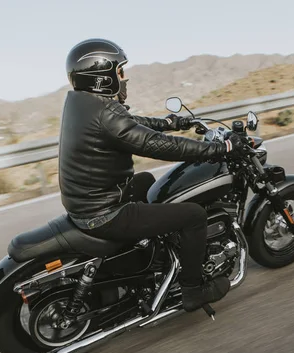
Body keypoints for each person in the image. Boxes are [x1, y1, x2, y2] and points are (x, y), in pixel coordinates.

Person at [59, 38, 246, 312]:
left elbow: (129, 123)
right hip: (104, 213)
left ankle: (157, 257)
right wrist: (222, 147)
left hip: (88, 203)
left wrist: (171, 123)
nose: (124, 78)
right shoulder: (104, 112)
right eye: (119, 71)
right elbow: (157, 145)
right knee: (194, 216)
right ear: (102, 78)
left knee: (147, 181)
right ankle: (193, 289)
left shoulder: (83, 103)